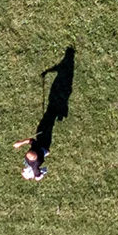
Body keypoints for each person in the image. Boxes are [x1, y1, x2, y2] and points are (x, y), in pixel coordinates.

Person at [13, 46, 76, 181]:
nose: (27, 154)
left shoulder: (33, 150)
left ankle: (53, 113)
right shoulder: (35, 164)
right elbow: (38, 176)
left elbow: (31, 140)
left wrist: (20, 143)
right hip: (44, 147)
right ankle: (55, 114)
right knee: (48, 127)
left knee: (44, 124)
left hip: (41, 149)